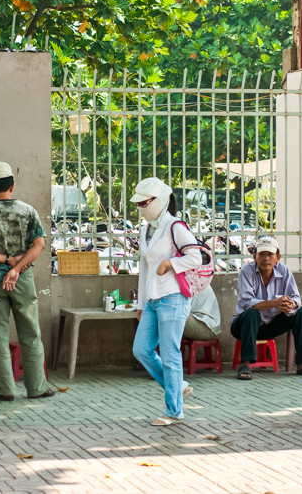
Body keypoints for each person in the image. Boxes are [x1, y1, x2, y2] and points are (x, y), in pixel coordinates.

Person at [0, 161, 55, 401]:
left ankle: (4, 389)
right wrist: (17, 268)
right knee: (30, 333)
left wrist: (6, 261)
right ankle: (37, 388)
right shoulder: (27, 211)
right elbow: (39, 245)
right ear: (12, 185)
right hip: (22, 280)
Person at [131, 177, 203, 427]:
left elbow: (196, 257)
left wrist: (169, 263)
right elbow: (143, 268)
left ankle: (174, 410)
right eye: (138, 202)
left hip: (173, 297)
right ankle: (179, 386)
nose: (141, 206)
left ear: (159, 200)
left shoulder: (176, 226)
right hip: (152, 299)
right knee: (141, 349)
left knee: (171, 354)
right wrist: (141, 304)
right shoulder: (145, 228)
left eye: (145, 202)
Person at [231, 236, 302, 380]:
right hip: (244, 327)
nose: (266, 258)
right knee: (252, 313)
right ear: (254, 256)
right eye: (262, 254)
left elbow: (296, 298)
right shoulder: (246, 271)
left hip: (271, 325)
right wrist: (275, 303)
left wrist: (290, 304)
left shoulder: (284, 271)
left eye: (270, 254)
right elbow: (246, 302)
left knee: (301, 313)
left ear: (278, 257)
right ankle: (245, 364)